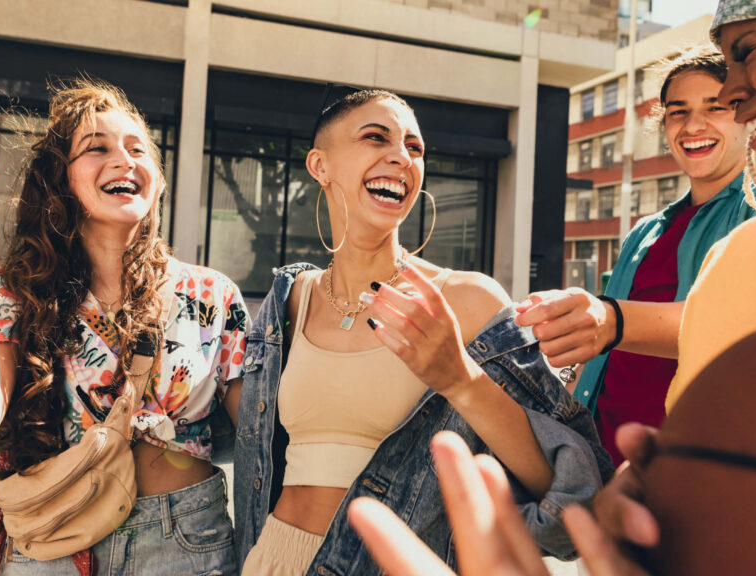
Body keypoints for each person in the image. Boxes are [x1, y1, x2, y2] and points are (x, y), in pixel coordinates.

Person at [347, 0, 756, 574]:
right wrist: (626, 489)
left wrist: (612, 320)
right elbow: (703, 427)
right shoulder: (744, 250)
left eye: (747, 52)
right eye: (676, 109)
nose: (731, 93)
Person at [232, 88, 613, 576]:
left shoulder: (467, 299)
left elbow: (569, 490)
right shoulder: (290, 298)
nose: (401, 157)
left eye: (414, 148)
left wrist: (460, 378)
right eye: (376, 137)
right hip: (273, 558)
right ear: (320, 166)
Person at [0, 78, 248, 575]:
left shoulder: (212, 295)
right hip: (50, 542)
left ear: (155, 179)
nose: (124, 159)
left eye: (138, 150)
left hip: (185, 542)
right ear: (60, 181)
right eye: (98, 148)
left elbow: (266, 441)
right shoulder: (14, 292)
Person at [516, 45, 756, 465]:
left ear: (751, 115)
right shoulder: (645, 231)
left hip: (698, 470)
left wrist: (609, 319)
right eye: (677, 111)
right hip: (600, 458)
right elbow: (609, 353)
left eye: (716, 107)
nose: (693, 125)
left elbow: (746, 328)